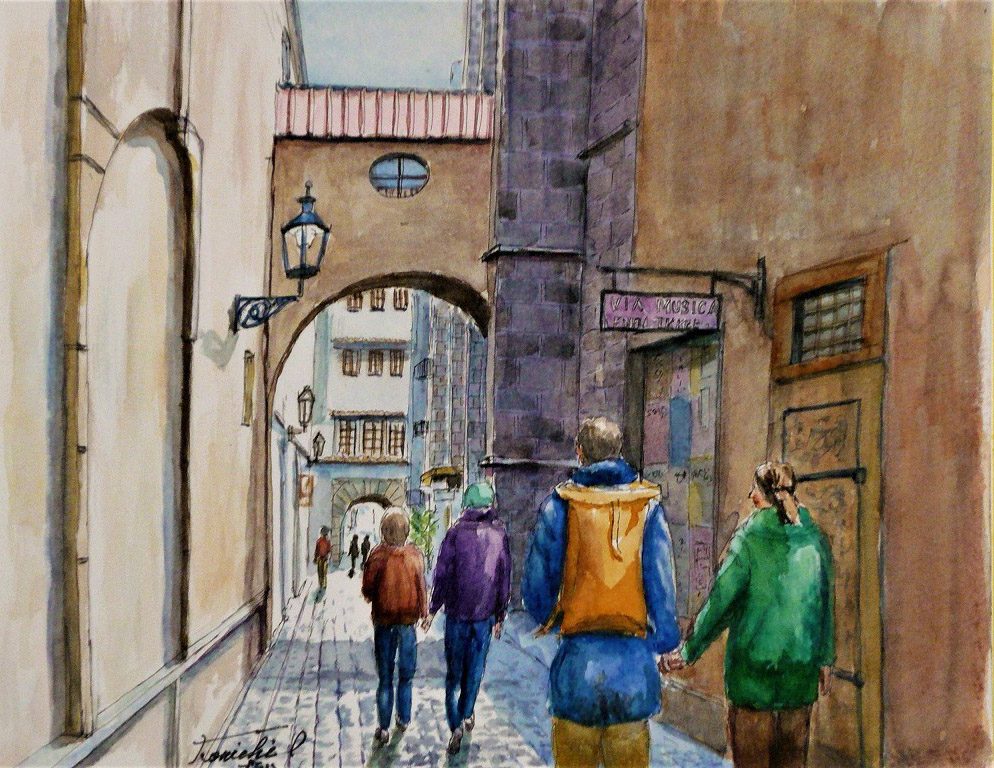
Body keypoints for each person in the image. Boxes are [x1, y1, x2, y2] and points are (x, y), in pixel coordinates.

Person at [523, 417, 679, 768]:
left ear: (579, 452)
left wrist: (561, 618)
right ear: (619, 451)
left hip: (575, 675)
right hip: (633, 678)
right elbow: (662, 590)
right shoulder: (648, 506)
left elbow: (535, 595)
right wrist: (662, 641)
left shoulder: (558, 505)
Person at [660, 462, 835, 768]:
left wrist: (688, 652)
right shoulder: (815, 540)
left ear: (761, 495)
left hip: (752, 681)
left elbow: (720, 605)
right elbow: (824, 604)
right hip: (800, 680)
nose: (750, 494)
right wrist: (825, 657)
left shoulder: (748, 541)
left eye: (754, 488)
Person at [422, 481, 511, 755]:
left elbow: (442, 575)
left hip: (456, 615)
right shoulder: (499, 535)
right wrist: (500, 614)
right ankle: (468, 710)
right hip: (484, 617)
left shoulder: (454, 534)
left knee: (453, 674)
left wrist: (433, 608)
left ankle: (455, 725)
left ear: (466, 505)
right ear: (490, 505)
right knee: (474, 671)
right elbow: (504, 579)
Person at [361, 507, 428, 747]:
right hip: (408, 624)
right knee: (406, 675)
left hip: (383, 623)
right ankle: (404, 718)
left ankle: (383, 727)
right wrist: (424, 613)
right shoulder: (415, 555)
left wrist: (377, 596)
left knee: (385, 677)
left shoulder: (377, 556)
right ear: (407, 531)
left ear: (383, 531)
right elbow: (421, 587)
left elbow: (367, 591)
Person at [313, 526, 331, 591]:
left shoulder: (323, 541)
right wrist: (315, 557)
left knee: (321, 572)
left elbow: (317, 550)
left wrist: (315, 558)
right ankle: (322, 584)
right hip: (322, 558)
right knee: (322, 572)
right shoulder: (323, 541)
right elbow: (317, 550)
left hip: (322, 558)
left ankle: (322, 584)